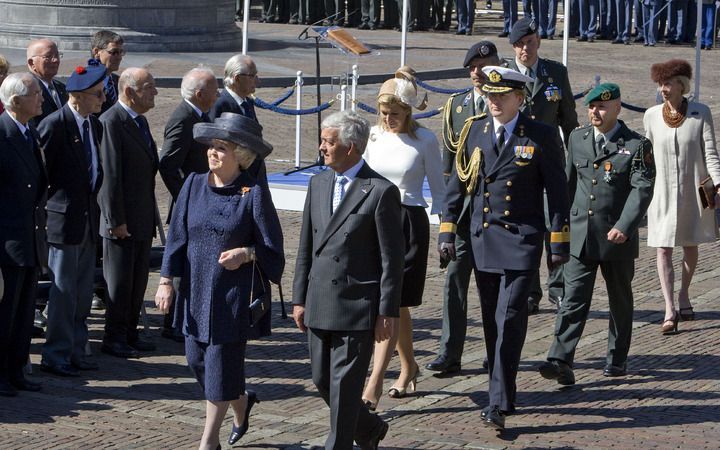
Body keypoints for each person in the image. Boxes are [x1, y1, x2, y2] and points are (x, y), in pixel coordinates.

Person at [438, 66, 570, 430]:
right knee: (493, 324)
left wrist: (557, 243)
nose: (493, 102)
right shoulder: (475, 131)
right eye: (490, 96)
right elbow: (457, 186)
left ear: (519, 98)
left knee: (509, 318)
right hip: (484, 241)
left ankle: (496, 401)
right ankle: (506, 392)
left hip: (521, 240)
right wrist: (447, 233)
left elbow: (558, 193)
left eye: (501, 96)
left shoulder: (540, 136)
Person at [155, 112, 283, 450]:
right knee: (198, 362)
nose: (213, 153)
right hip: (195, 293)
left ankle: (208, 441)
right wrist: (166, 280)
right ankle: (241, 401)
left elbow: (273, 250)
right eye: (212, 146)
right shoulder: (193, 184)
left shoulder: (252, 193)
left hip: (231, 298)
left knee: (219, 368)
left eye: (222, 148)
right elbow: (177, 237)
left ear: (240, 155)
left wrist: (246, 253)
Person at [292, 111, 404, 450]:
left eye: (329, 142)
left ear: (351, 148)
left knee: (344, 389)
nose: (322, 147)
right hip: (319, 301)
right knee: (322, 379)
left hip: (357, 306)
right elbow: (306, 246)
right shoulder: (319, 182)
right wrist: (299, 298)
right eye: (323, 141)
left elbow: (391, 259)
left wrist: (387, 311)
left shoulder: (380, 191)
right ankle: (368, 428)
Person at [539, 83, 655, 386]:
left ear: (617, 107)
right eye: (591, 107)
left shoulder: (636, 145)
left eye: (602, 107)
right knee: (573, 298)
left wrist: (625, 224)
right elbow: (566, 184)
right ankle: (560, 359)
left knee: (619, 299)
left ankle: (617, 357)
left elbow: (642, 190)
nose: (595, 112)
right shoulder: (577, 139)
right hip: (580, 235)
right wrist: (557, 226)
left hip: (616, 237)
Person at [361, 67, 445, 410]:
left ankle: (375, 380)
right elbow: (361, 183)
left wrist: (446, 232)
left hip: (408, 220)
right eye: (383, 113)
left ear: (409, 111)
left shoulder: (424, 140)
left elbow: (439, 191)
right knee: (392, 303)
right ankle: (409, 366)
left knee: (395, 301)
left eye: (395, 114)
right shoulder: (372, 136)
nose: (388, 119)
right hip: (374, 222)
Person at [426, 41, 501, 376]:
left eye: (484, 66)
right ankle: (449, 352)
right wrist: (446, 221)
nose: (477, 73)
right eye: (472, 68)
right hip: (463, 212)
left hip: (496, 212)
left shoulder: (507, 103)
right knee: (454, 281)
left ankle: (496, 350)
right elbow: (448, 169)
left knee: (494, 287)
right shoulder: (456, 106)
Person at [38, 61, 106, 377]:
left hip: (87, 220)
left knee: (80, 293)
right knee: (63, 293)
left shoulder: (95, 125)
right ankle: (56, 353)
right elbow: (42, 177)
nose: (102, 100)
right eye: (96, 94)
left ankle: (78, 349)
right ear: (76, 96)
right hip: (62, 223)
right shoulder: (54, 125)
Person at [506, 17, 579, 314]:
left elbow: (569, 121)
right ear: (513, 47)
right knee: (525, 227)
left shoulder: (555, 73)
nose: (526, 49)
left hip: (549, 161)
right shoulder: (503, 74)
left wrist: (575, 160)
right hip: (516, 163)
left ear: (538, 42)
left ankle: (558, 287)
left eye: (531, 43)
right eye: (521, 45)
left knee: (555, 224)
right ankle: (529, 290)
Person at [643, 59, 720, 332]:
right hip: (661, 193)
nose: (663, 89)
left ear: (681, 85)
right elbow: (647, 157)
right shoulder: (651, 116)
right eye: (660, 84)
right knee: (662, 247)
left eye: (667, 84)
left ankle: (684, 293)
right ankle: (668, 308)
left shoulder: (700, 113)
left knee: (690, 244)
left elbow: (710, 151)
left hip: (693, 190)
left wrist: (718, 183)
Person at [98, 67, 159, 359]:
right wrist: (115, 220)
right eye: (149, 87)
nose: (155, 92)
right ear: (129, 91)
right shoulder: (112, 122)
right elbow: (110, 176)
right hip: (121, 221)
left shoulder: (140, 122)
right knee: (120, 283)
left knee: (137, 282)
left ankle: (130, 332)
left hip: (141, 217)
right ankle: (114, 336)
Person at [158, 67, 219, 343]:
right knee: (182, 264)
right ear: (199, 94)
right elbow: (168, 164)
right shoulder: (183, 118)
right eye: (214, 89)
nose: (218, 94)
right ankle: (172, 323)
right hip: (189, 205)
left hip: (200, 202)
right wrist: (187, 197)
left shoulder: (201, 115)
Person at [0, 72, 47, 396]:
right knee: (5, 315)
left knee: (23, 313)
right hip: (9, 243)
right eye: (35, 94)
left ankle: (16, 369)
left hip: (30, 239)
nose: (41, 99)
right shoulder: (3, 136)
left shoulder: (29, 132)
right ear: (16, 101)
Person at [26, 38, 67, 126]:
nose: (55, 60)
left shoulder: (62, 88)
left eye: (57, 55)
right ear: (31, 63)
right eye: (48, 56)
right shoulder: (27, 90)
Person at [210, 54, 259, 122]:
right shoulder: (219, 105)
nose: (257, 80)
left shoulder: (248, 102)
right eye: (252, 76)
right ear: (237, 79)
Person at [90, 30, 125, 115]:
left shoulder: (119, 82)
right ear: (96, 52)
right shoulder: (85, 82)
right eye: (114, 52)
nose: (119, 57)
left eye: (121, 52)